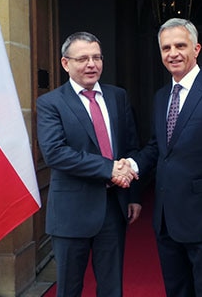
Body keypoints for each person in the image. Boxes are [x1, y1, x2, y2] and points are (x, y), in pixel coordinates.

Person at [131, 18, 202, 297]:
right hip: (167, 222)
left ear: (196, 49)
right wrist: (131, 165)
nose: (173, 53)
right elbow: (159, 148)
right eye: (166, 47)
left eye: (180, 45)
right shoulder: (162, 97)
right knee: (178, 292)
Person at [36, 31, 141, 297]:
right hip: (71, 212)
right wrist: (108, 168)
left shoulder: (118, 96)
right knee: (69, 288)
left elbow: (131, 147)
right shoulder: (51, 103)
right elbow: (55, 153)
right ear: (65, 63)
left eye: (96, 57)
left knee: (111, 288)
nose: (91, 64)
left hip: (113, 208)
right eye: (83, 58)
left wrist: (133, 195)